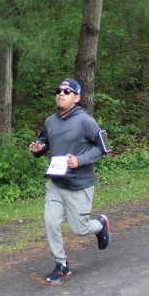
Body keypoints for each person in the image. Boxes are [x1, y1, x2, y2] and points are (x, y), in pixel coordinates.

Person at [29, 77, 111, 282]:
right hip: (56, 183)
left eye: (67, 92)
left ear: (77, 98)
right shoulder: (50, 121)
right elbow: (45, 143)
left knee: (79, 229)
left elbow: (104, 148)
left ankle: (100, 225)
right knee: (50, 222)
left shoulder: (86, 121)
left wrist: (80, 160)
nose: (61, 94)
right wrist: (38, 148)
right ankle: (61, 264)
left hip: (79, 184)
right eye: (58, 91)